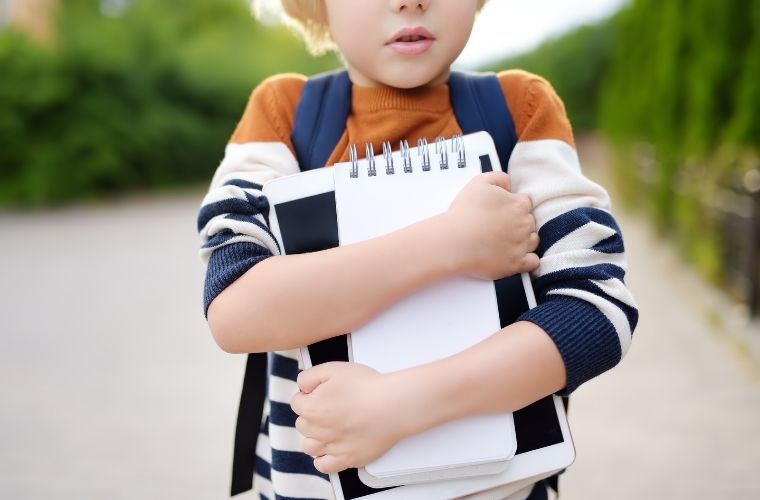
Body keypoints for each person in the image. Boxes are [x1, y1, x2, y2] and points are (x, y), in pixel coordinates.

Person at [197, 0, 639, 498]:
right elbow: (235, 311)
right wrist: (450, 243)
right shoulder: (283, 115)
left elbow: (597, 313)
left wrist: (395, 404)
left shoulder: (520, 109)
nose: (409, 1)